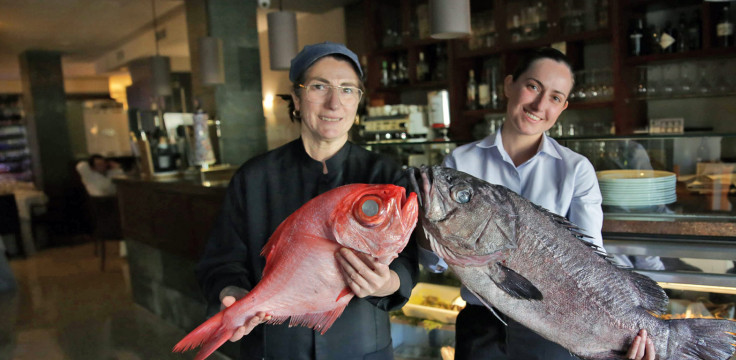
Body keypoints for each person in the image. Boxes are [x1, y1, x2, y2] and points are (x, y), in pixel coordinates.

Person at [423, 48, 655, 359]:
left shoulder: (575, 169)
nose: (540, 105)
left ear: (563, 107)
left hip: (556, 327)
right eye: (533, 86)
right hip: (481, 326)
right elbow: (434, 263)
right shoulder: (460, 162)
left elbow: (593, 264)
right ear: (509, 85)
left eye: (556, 97)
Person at [195, 42, 418, 360]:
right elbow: (221, 259)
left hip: (362, 348)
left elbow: (409, 259)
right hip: (275, 348)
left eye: (347, 89)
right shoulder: (254, 177)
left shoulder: (385, 176)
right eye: (319, 86)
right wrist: (233, 294)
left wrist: (389, 282)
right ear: (297, 99)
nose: (334, 103)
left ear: (358, 101)